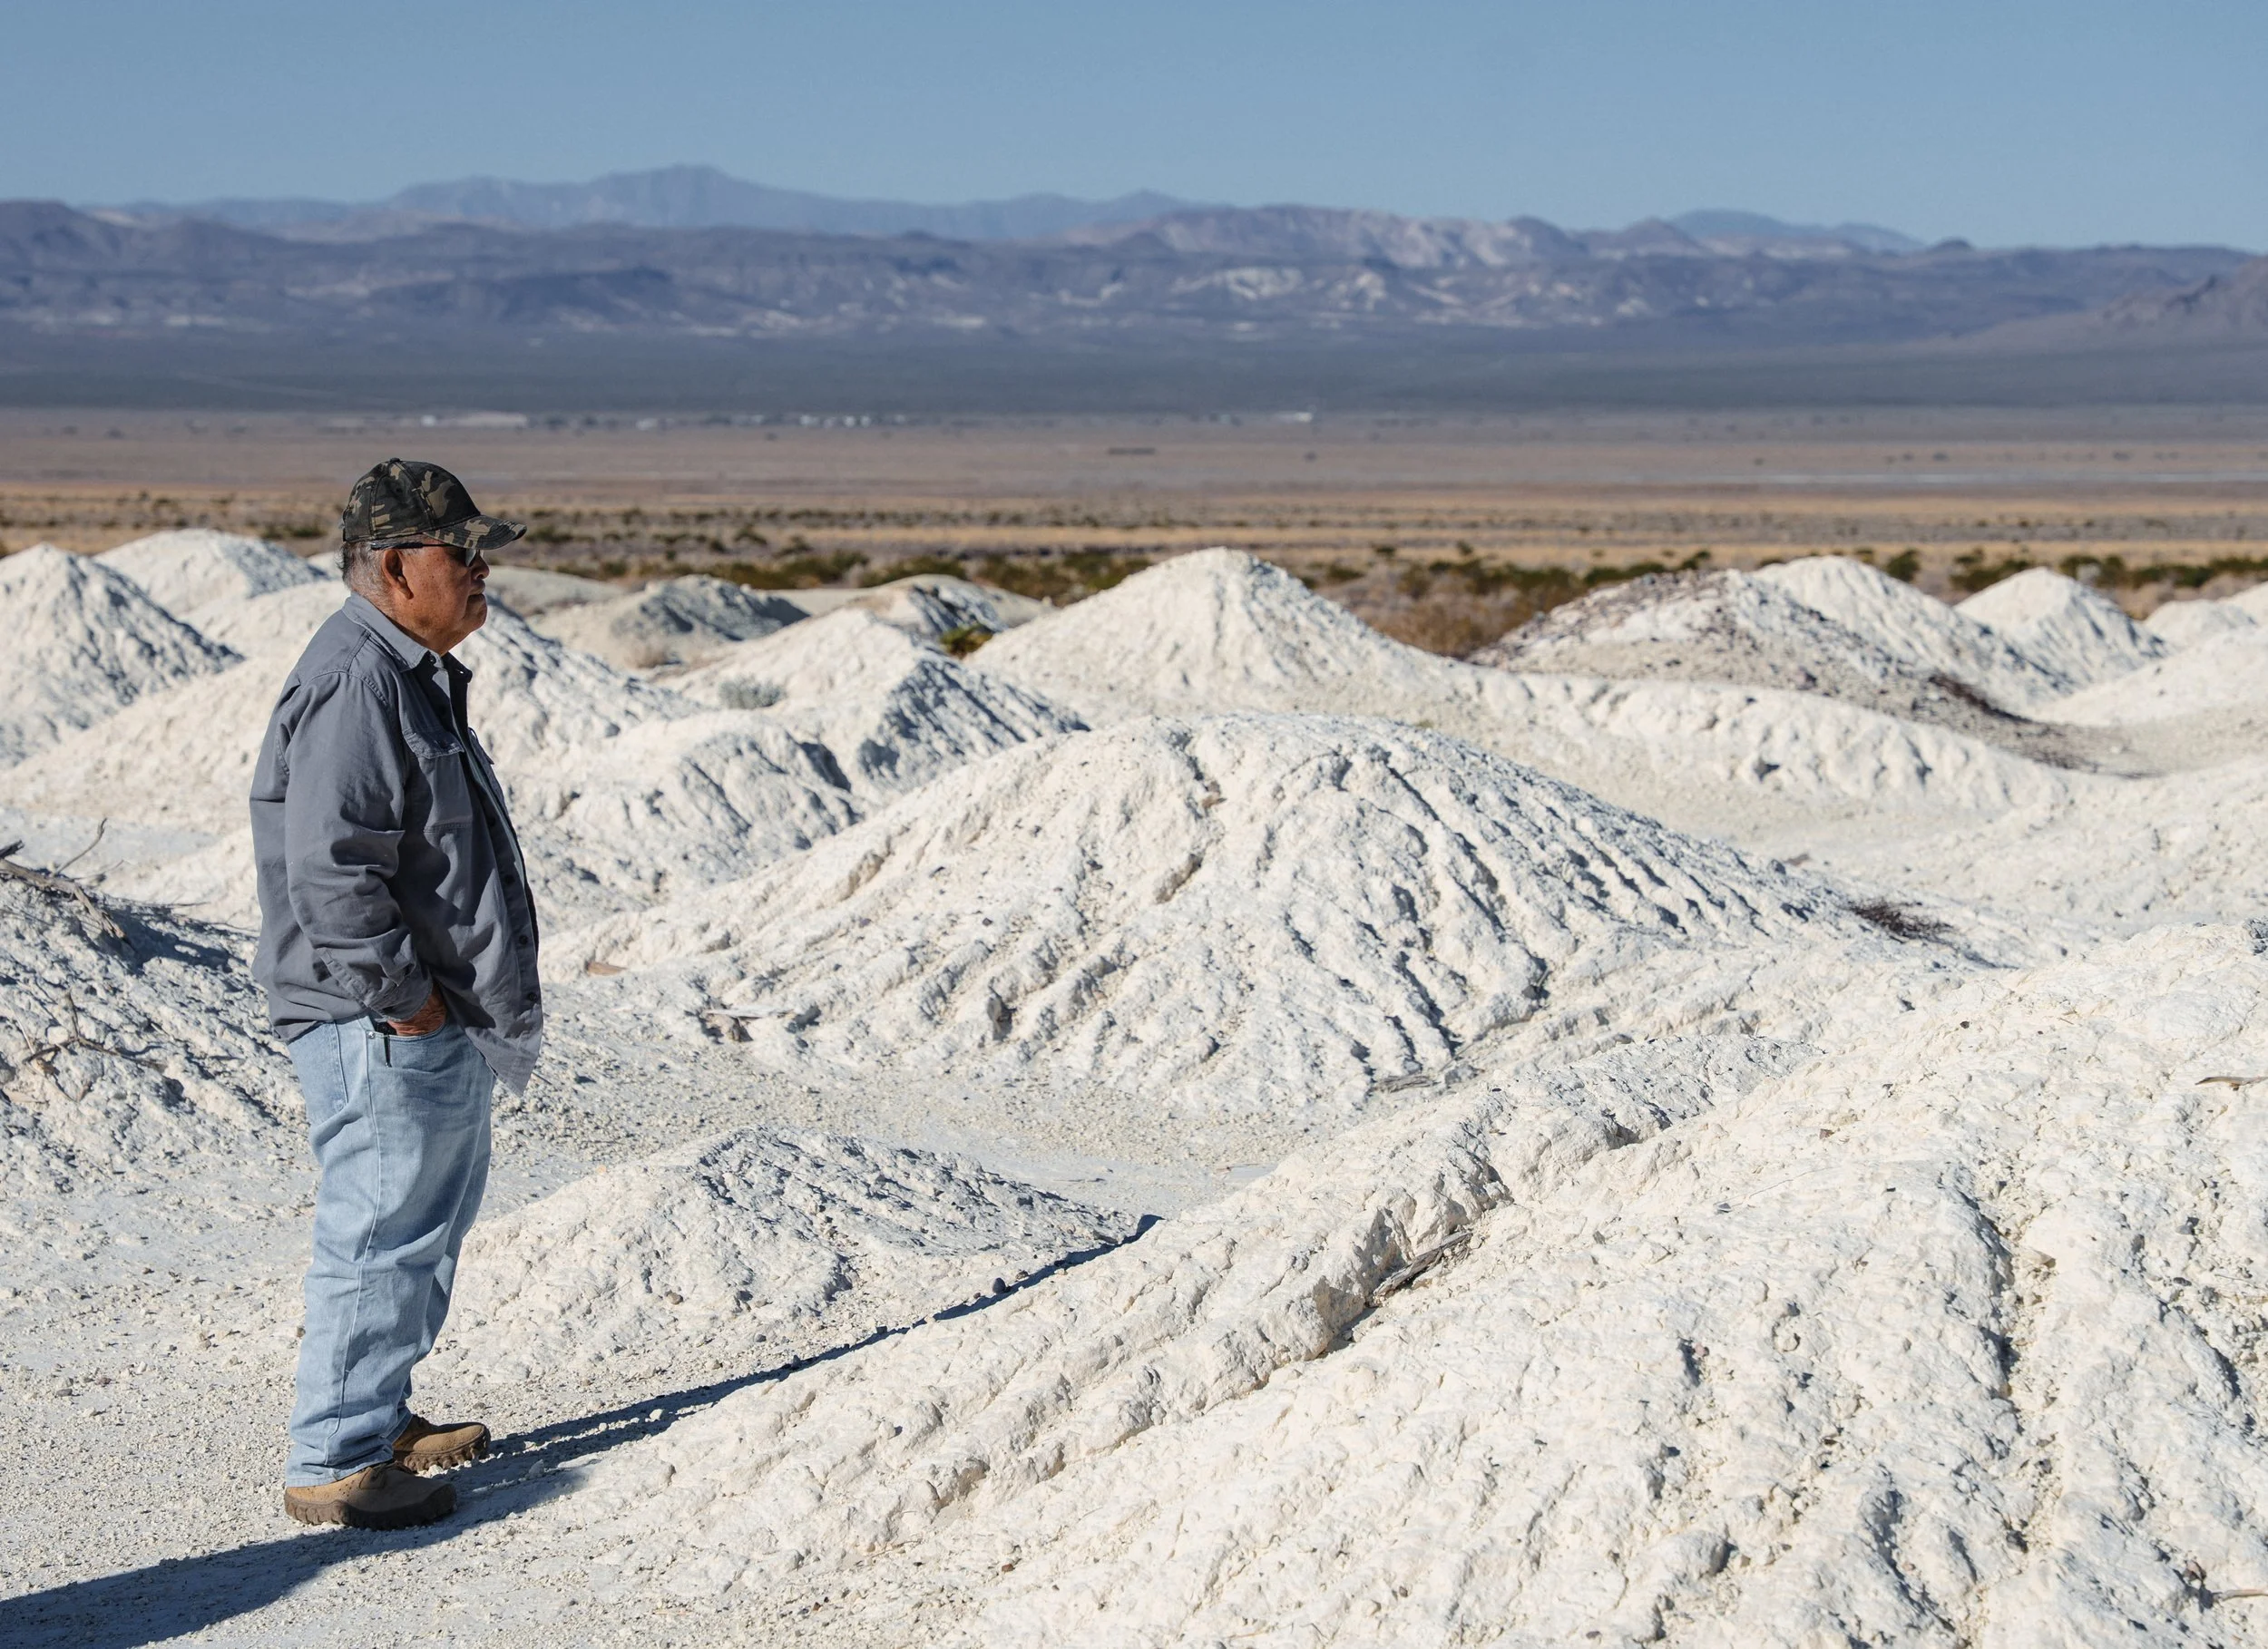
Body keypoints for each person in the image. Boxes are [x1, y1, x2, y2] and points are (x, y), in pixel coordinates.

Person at [251, 458, 543, 1529]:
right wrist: (405, 998)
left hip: (419, 1014)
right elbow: (333, 869)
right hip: (376, 1017)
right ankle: (335, 1459)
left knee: (419, 1224)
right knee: (380, 1228)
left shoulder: (404, 669)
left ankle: (374, 1416)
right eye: (457, 553)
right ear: (392, 565)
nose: (478, 572)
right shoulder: (358, 681)